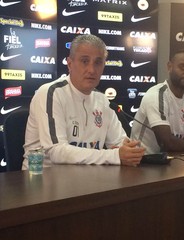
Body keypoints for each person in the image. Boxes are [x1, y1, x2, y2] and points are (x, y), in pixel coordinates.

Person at [23, 34, 145, 169]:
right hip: (43, 180)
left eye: (98, 62)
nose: (91, 70)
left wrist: (130, 150)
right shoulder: (50, 93)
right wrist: (115, 155)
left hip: (88, 179)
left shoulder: (103, 100)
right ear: (70, 64)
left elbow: (120, 143)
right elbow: (57, 152)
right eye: (84, 61)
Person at [130, 49, 184, 154]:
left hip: (171, 159)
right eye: (182, 67)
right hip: (143, 160)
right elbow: (166, 143)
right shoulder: (156, 95)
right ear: (170, 67)